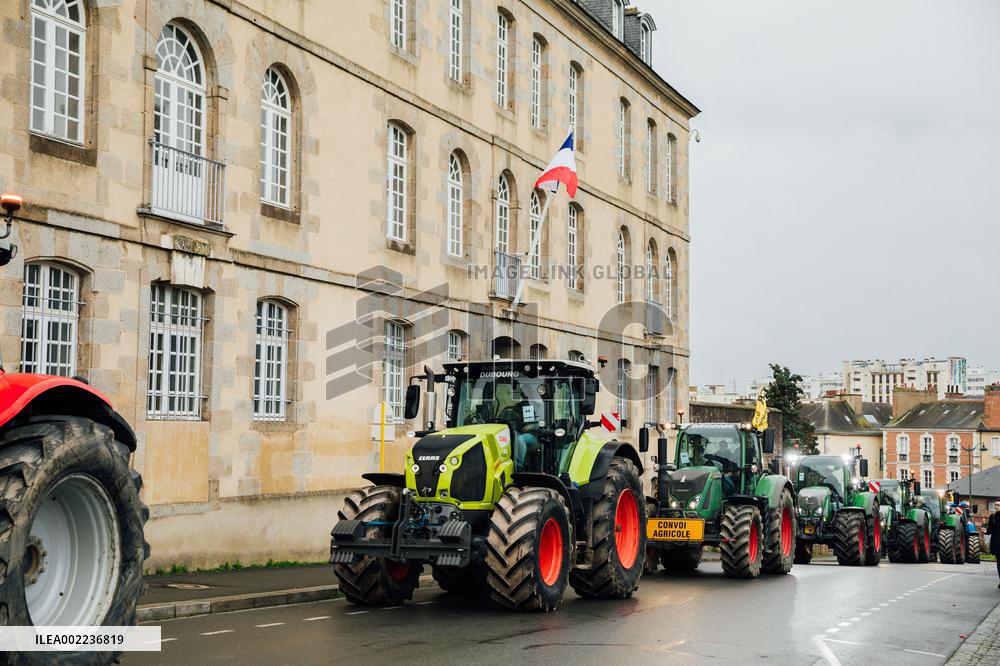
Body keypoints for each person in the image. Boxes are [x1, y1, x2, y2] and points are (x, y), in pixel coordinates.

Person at [987, 500, 1000, 588]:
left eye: (998, 505)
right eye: (995, 505)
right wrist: (985, 531)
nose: (996, 506)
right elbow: (990, 530)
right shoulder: (992, 517)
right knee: (999, 563)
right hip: (997, 543)